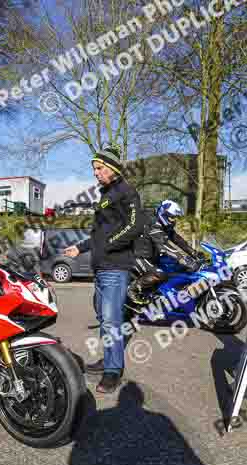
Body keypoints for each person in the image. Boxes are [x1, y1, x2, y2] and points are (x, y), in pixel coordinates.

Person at [65, 144, 144, 393]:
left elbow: (134, 226)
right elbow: (99, 234)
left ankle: (113, 370)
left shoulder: (127, 191)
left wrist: (107, 246)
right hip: (100, 268)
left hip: (116, 267)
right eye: (94, 169)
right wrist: (81, 248)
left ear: (112, 168)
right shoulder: (105, 195)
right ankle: (108, 359)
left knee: (111, 320)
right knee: (103, 318)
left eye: (99, 168)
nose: (96, 173)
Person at [128, 200, 206, 306]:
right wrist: (186, 261)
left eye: (175, 217)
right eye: (171, 217)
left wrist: (194, 253)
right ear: (163, 213)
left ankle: (163, 296)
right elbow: (164, 247)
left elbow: (176, 239)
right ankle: (133, 290)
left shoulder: (163, 224)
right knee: (160, 273)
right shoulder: (153, 223)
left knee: (175, 267)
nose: (173, 220)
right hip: (138, 256)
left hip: (151, 255)